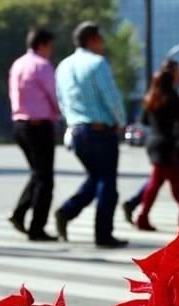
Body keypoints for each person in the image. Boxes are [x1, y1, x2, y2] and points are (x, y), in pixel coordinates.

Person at [54, 21, 128, 248]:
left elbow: (61, 100)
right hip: (99, 131)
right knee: (107, 183)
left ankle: (67, 211)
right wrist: (121, 121)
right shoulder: (97, 63)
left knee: (96, 178)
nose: (103, 44)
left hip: (76, 131)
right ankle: (103, 234)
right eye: (101, 39)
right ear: (92, 40)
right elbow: (111, 97)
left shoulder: (63, 66)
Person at [122, 59, 179, 223]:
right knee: (171, 181)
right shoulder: (171, 96)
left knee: (161, 180)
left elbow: (144, 120)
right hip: (168, 144)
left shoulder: (151, 97)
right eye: (177, 72)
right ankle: (145, 216)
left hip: (154, 142)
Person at [7, 28, 59, 241]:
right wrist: (61, 114)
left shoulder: (17, 64)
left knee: (38, 174)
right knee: (45, 179)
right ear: (43, 44)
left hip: (20, 124)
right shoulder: (42, 66)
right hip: (39, 126)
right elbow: (55, 95)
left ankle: (19, 213)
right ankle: (37, 227)